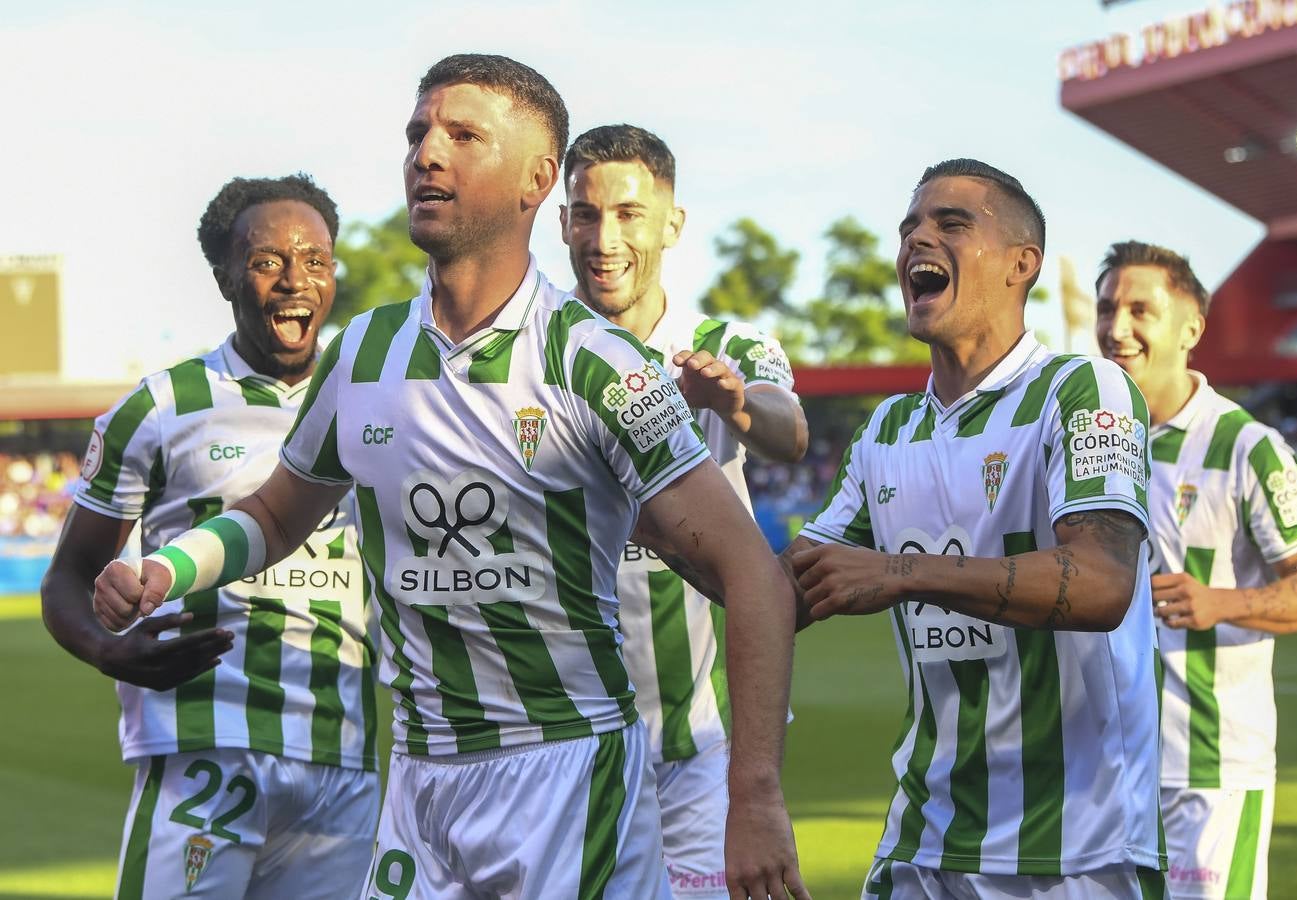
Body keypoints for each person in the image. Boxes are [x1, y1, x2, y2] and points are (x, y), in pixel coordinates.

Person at [90, 55, 806, 900]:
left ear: (537, 180)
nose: (426, 153)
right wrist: (167, 569)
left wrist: (754, 794)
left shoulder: (596, 363)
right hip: (419, 778)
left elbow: (754, 576)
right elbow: (278, 517)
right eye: (418, 133)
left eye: (462, 136)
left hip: (566, 773)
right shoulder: (363, 353)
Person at [783, 159, 1166, 898]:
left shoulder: (1080, 390)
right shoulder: (888, 430)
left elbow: (1102, 585)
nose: (917, 238)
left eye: (951, 223)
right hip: (924, 840)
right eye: (910, 227)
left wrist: (901, 573)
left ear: (1024, 264)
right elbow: (785, 586)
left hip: (1077, 851)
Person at [41, 174, 378, 900]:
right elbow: (67, 576)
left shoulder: (376, 402)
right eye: (266, 262)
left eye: (315, 260)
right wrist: (109, 650)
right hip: (204, 744)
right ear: (226, 275)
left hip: (345, 759)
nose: (296, 280)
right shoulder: (161, 408)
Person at [560, 123, 808, 896]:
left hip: (699, 751)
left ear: (672, 223)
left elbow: (787, 431)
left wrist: (733, 405)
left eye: (630, 214)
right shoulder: (532, 351)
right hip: (562, 751)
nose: (605, 238)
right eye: (586, 214)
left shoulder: (726, 343)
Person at [1096, 241, 1297, 900]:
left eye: (1139, 310)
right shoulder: (1085, 445)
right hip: (1101, 772)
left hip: (1207, 774)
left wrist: (1221, 603)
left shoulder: (1247, 448)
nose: (1116, 328)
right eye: (1106, 308)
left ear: (1190, 330)